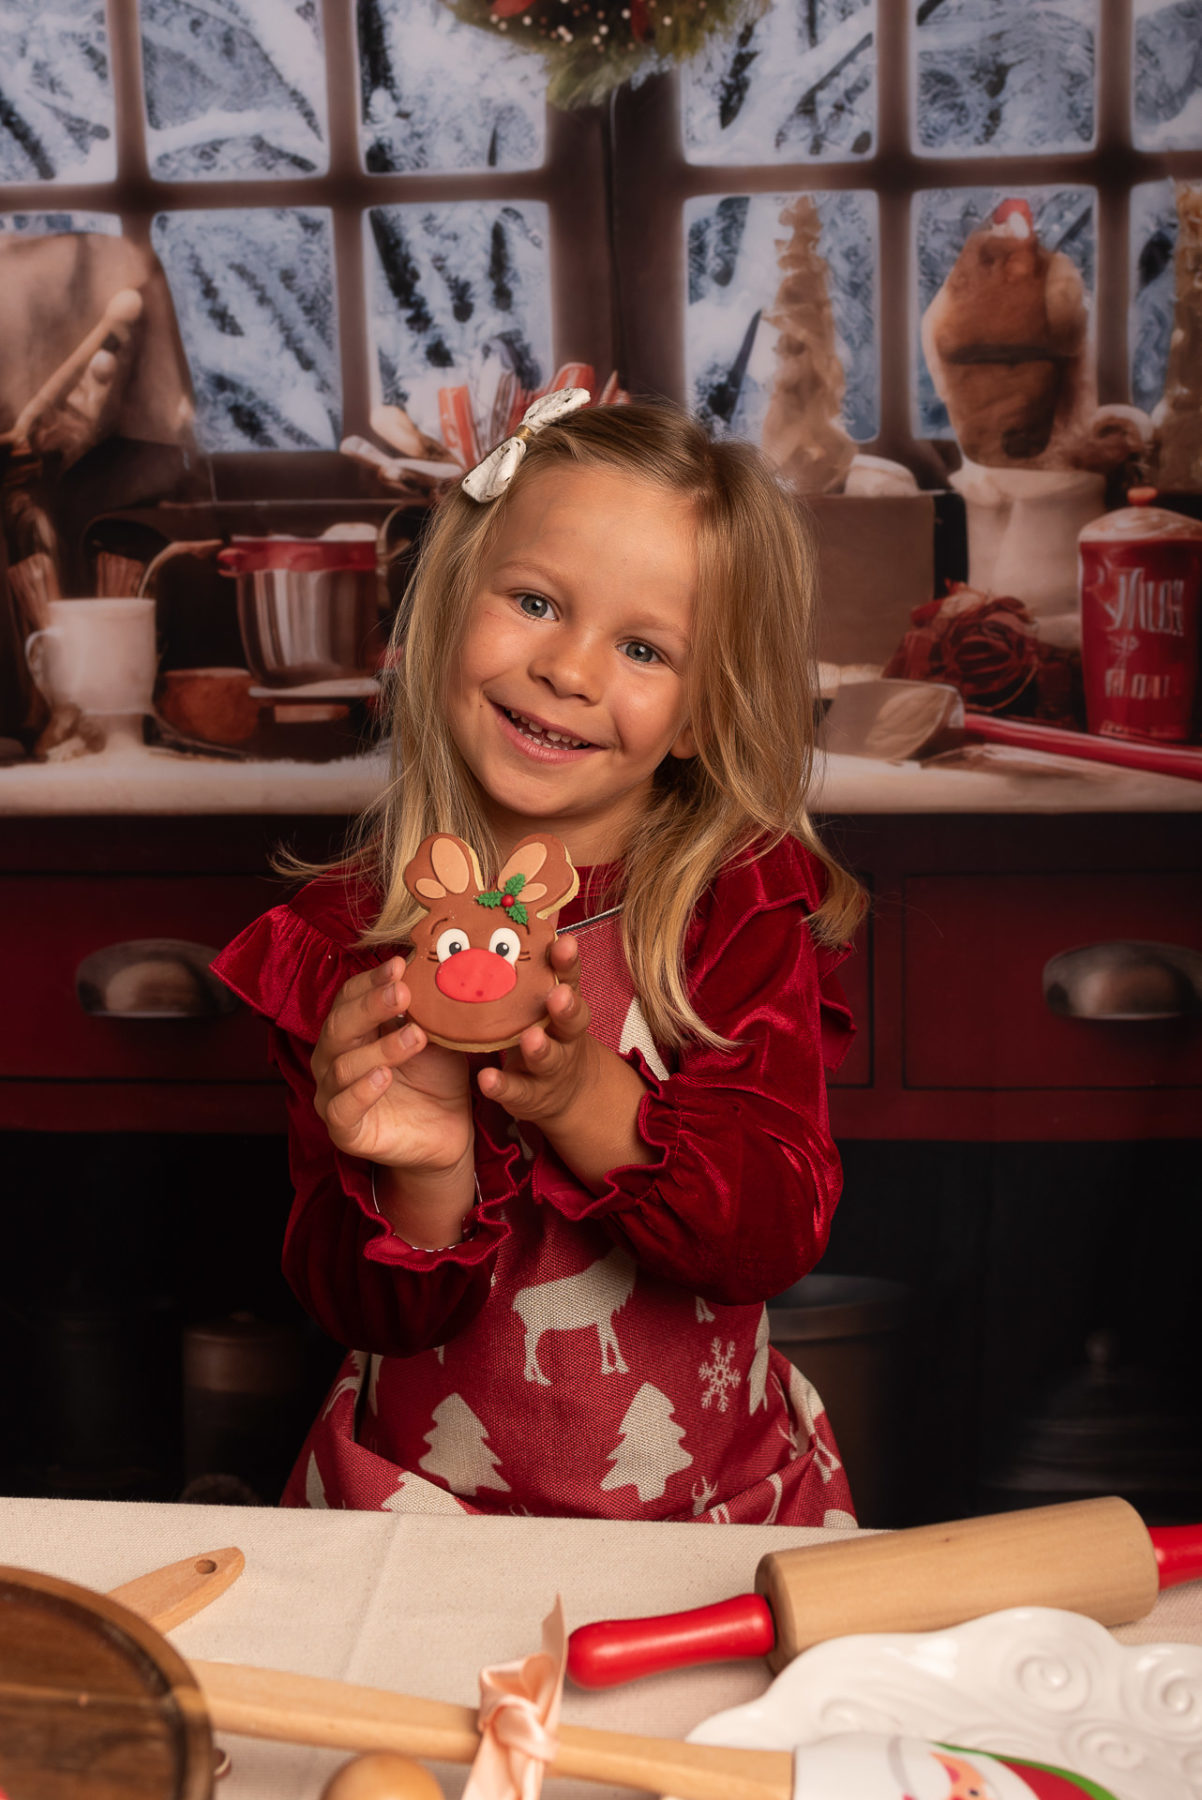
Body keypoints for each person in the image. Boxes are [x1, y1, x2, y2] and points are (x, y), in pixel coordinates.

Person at [212, 391, 866, 1524]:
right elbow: (363, 1313)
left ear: (703, 715)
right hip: (420, 1513)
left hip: (705, 1517)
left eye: (643, 646)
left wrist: (576, 1093)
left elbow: (770, 1231)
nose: (568, 669)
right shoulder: (346, 944)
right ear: (439, 614)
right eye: (532, 601)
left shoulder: (734, 908)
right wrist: (416, 1169)